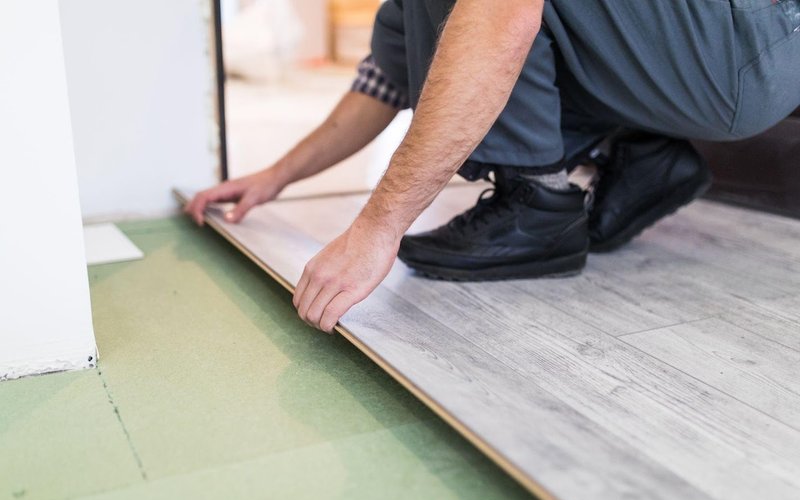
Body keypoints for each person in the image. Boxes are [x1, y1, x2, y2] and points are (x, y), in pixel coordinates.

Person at [187, 0, 800, 333]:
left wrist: (378, 226)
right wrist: (277, 176)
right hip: (720, 57)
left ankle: (538, 207)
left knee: (482, 22)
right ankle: (643, 151)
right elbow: (386, 81)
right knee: (433, 23)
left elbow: (504, 18)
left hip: (756, 42)